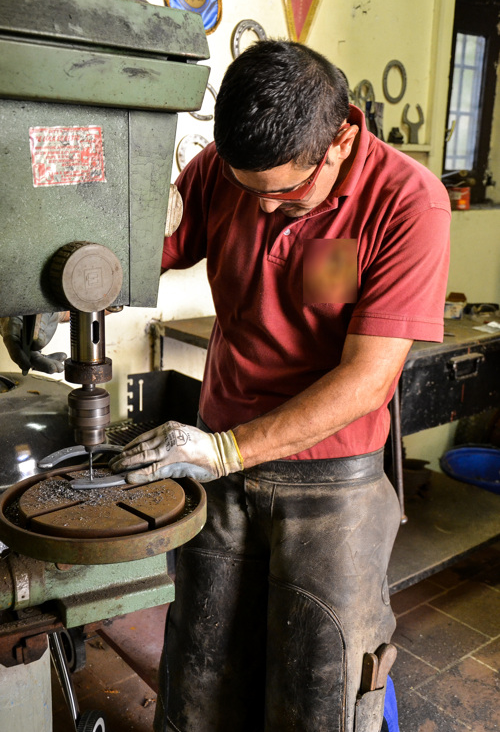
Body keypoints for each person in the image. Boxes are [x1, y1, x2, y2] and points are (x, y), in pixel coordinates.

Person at [2, 41, 450, 732]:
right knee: (203, 674)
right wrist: (55, 283)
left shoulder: (408, 202)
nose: (263, 209)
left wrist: (225, 450)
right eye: (249, 190)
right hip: (220, 468)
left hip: (331, 484)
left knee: (318, 690)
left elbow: (367, 380)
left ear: (340, 141)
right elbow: (133, 253)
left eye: (284, 194)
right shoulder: (224, 173)